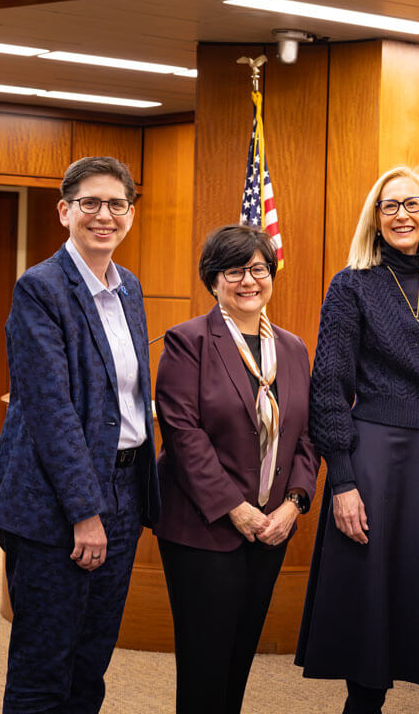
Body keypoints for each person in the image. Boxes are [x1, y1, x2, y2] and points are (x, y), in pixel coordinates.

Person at [0, 156, 160, 713]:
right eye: (90, 203)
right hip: (54, 507)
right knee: (44, 670)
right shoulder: (40, 288)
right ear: (65, 211)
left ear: (130, 215)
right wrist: (86, 512)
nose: (104, 215)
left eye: (117, 204)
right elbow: (51, 412)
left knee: (90, 665)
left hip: (124, 496)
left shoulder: (129, 288)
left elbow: (127, 398)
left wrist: (122, 505)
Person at [295, 166, 419, 712]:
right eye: (390, 207)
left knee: (408, 598)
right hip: (373, 460)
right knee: (369, 603)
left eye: (412, 204)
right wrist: (340, 480)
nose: (402, 215)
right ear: (375, 219)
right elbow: (329, 388)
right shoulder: (352, 284)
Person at [153, 224, 320, 713]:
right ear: (213, 279)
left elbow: (306, 436)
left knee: (239, 659)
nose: (249, 281)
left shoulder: (291, 348)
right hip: (205, 531)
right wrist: (236, 509)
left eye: (258, 269)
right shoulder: (188, 341)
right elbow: (183, 435)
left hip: (271, 530)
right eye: (234, 270)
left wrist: (294, 503)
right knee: (205, 667)